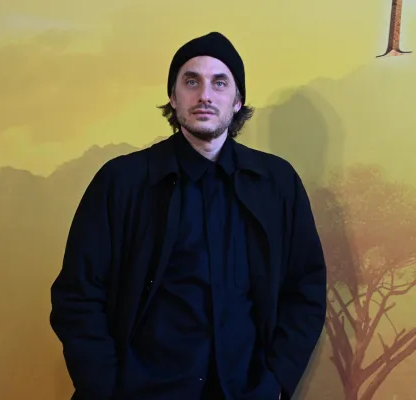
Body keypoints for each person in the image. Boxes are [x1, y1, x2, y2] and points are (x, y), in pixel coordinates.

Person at [49, 31, 327, 400]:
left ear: (238, 100)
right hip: (142, 391)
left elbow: (305, 288)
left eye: (220, 83)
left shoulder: (277, 184)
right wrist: (103, 388)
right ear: (173, 96)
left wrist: (276, 383)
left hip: (245, 389)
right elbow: (78, 295)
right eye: (191, 81)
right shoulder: (121, 181)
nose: (205, 95)